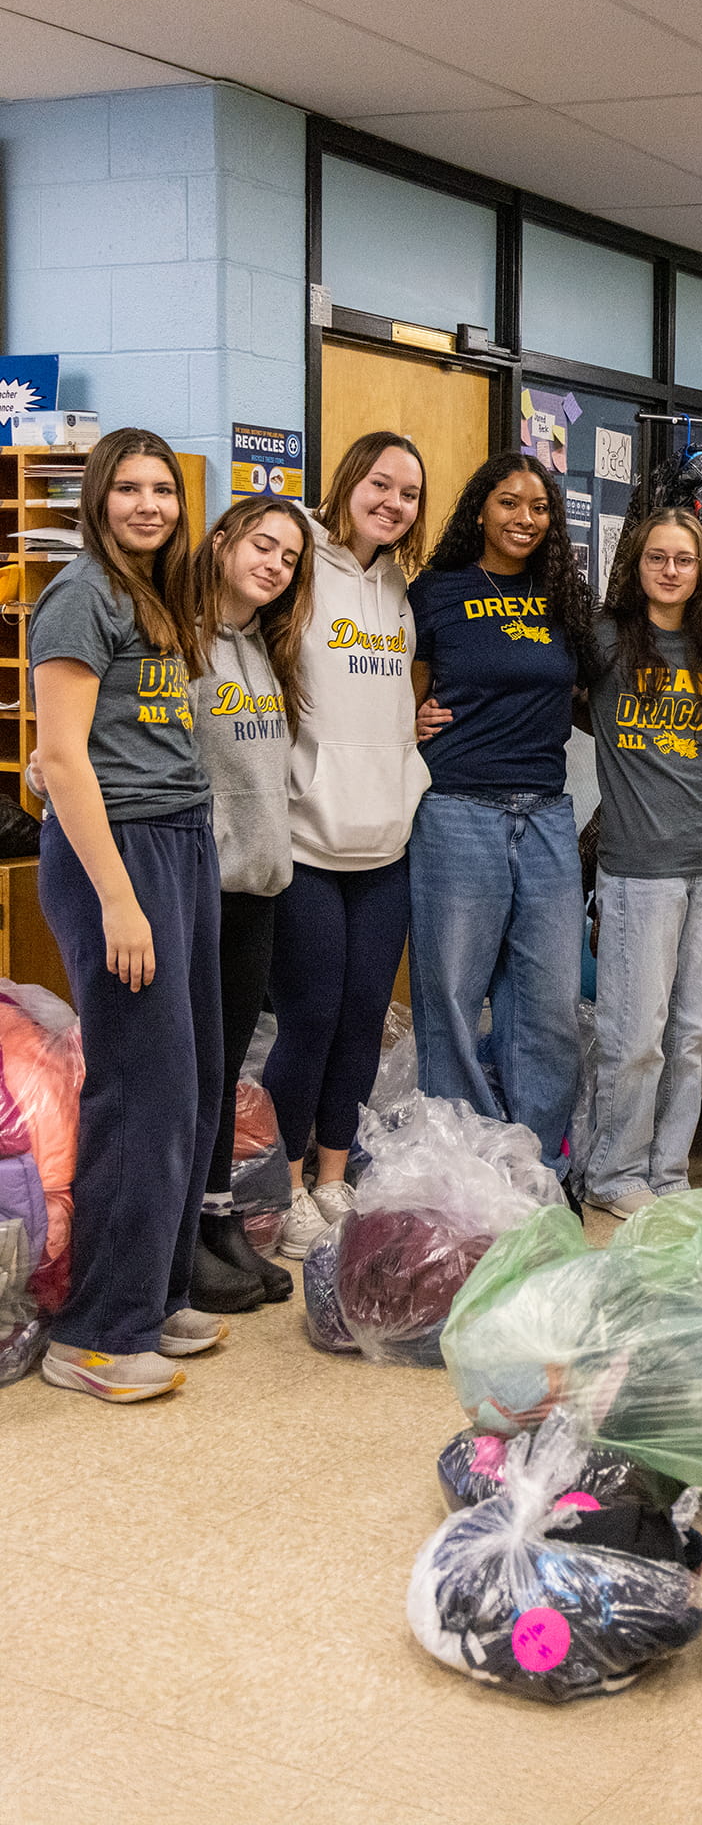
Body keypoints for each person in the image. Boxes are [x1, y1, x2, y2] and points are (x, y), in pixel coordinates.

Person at [31, 429, 223, 1401]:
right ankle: (97, 1331)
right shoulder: (78, 595)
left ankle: (156, 1290)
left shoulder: (160, 596)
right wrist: (117, 897)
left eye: (163, 488)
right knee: (140, 1091)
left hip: (182, 839)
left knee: (192, 1084)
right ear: (100, 496)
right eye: (130, 487)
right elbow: (61, 759)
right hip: (122, 854)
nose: (149, 503)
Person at [266, 431, 430, 1258]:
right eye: (380, 483)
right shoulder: (298, 558)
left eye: (408, 493)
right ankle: (285, 1184)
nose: (392, 502)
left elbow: (395, 685)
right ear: (348, 480)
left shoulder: (402, 585)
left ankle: (334, 1176)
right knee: (311, 1016)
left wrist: (415, 720)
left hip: (386, 840)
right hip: (305, 839)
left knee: (366, 1018)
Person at [407, 452, 592, 1171]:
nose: (525, 518)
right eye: (510, 503)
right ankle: (460, 1164)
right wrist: (409, 717)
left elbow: (580, 700)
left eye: (540, 507)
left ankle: (535, 1165)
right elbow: (404, 689)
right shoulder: (437, 593)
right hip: (457, 809)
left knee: (547, 1007)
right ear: (480, 509)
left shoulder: (563, 598)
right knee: (451, 996)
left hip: (547, 812)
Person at [584, 508, 702, 1217]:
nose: (671, 570)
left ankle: (669, 1171)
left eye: (684, 559)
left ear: (701, 570)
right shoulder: (607, 640)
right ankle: (615, 1173)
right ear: (636, 564)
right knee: (636, 1034)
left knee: (697, 1033)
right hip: (638, 866)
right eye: (657, 558)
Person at [188, 495, 314, 1311]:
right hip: (202, 887)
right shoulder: (181, 642)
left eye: (290, 557)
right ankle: (184, 1237)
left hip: (258, 889)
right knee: (193, 1072)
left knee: (226, 1068)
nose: (274, 564)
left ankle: (219, 1216)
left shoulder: (262, 651)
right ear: (224, 541)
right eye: (263, 545)